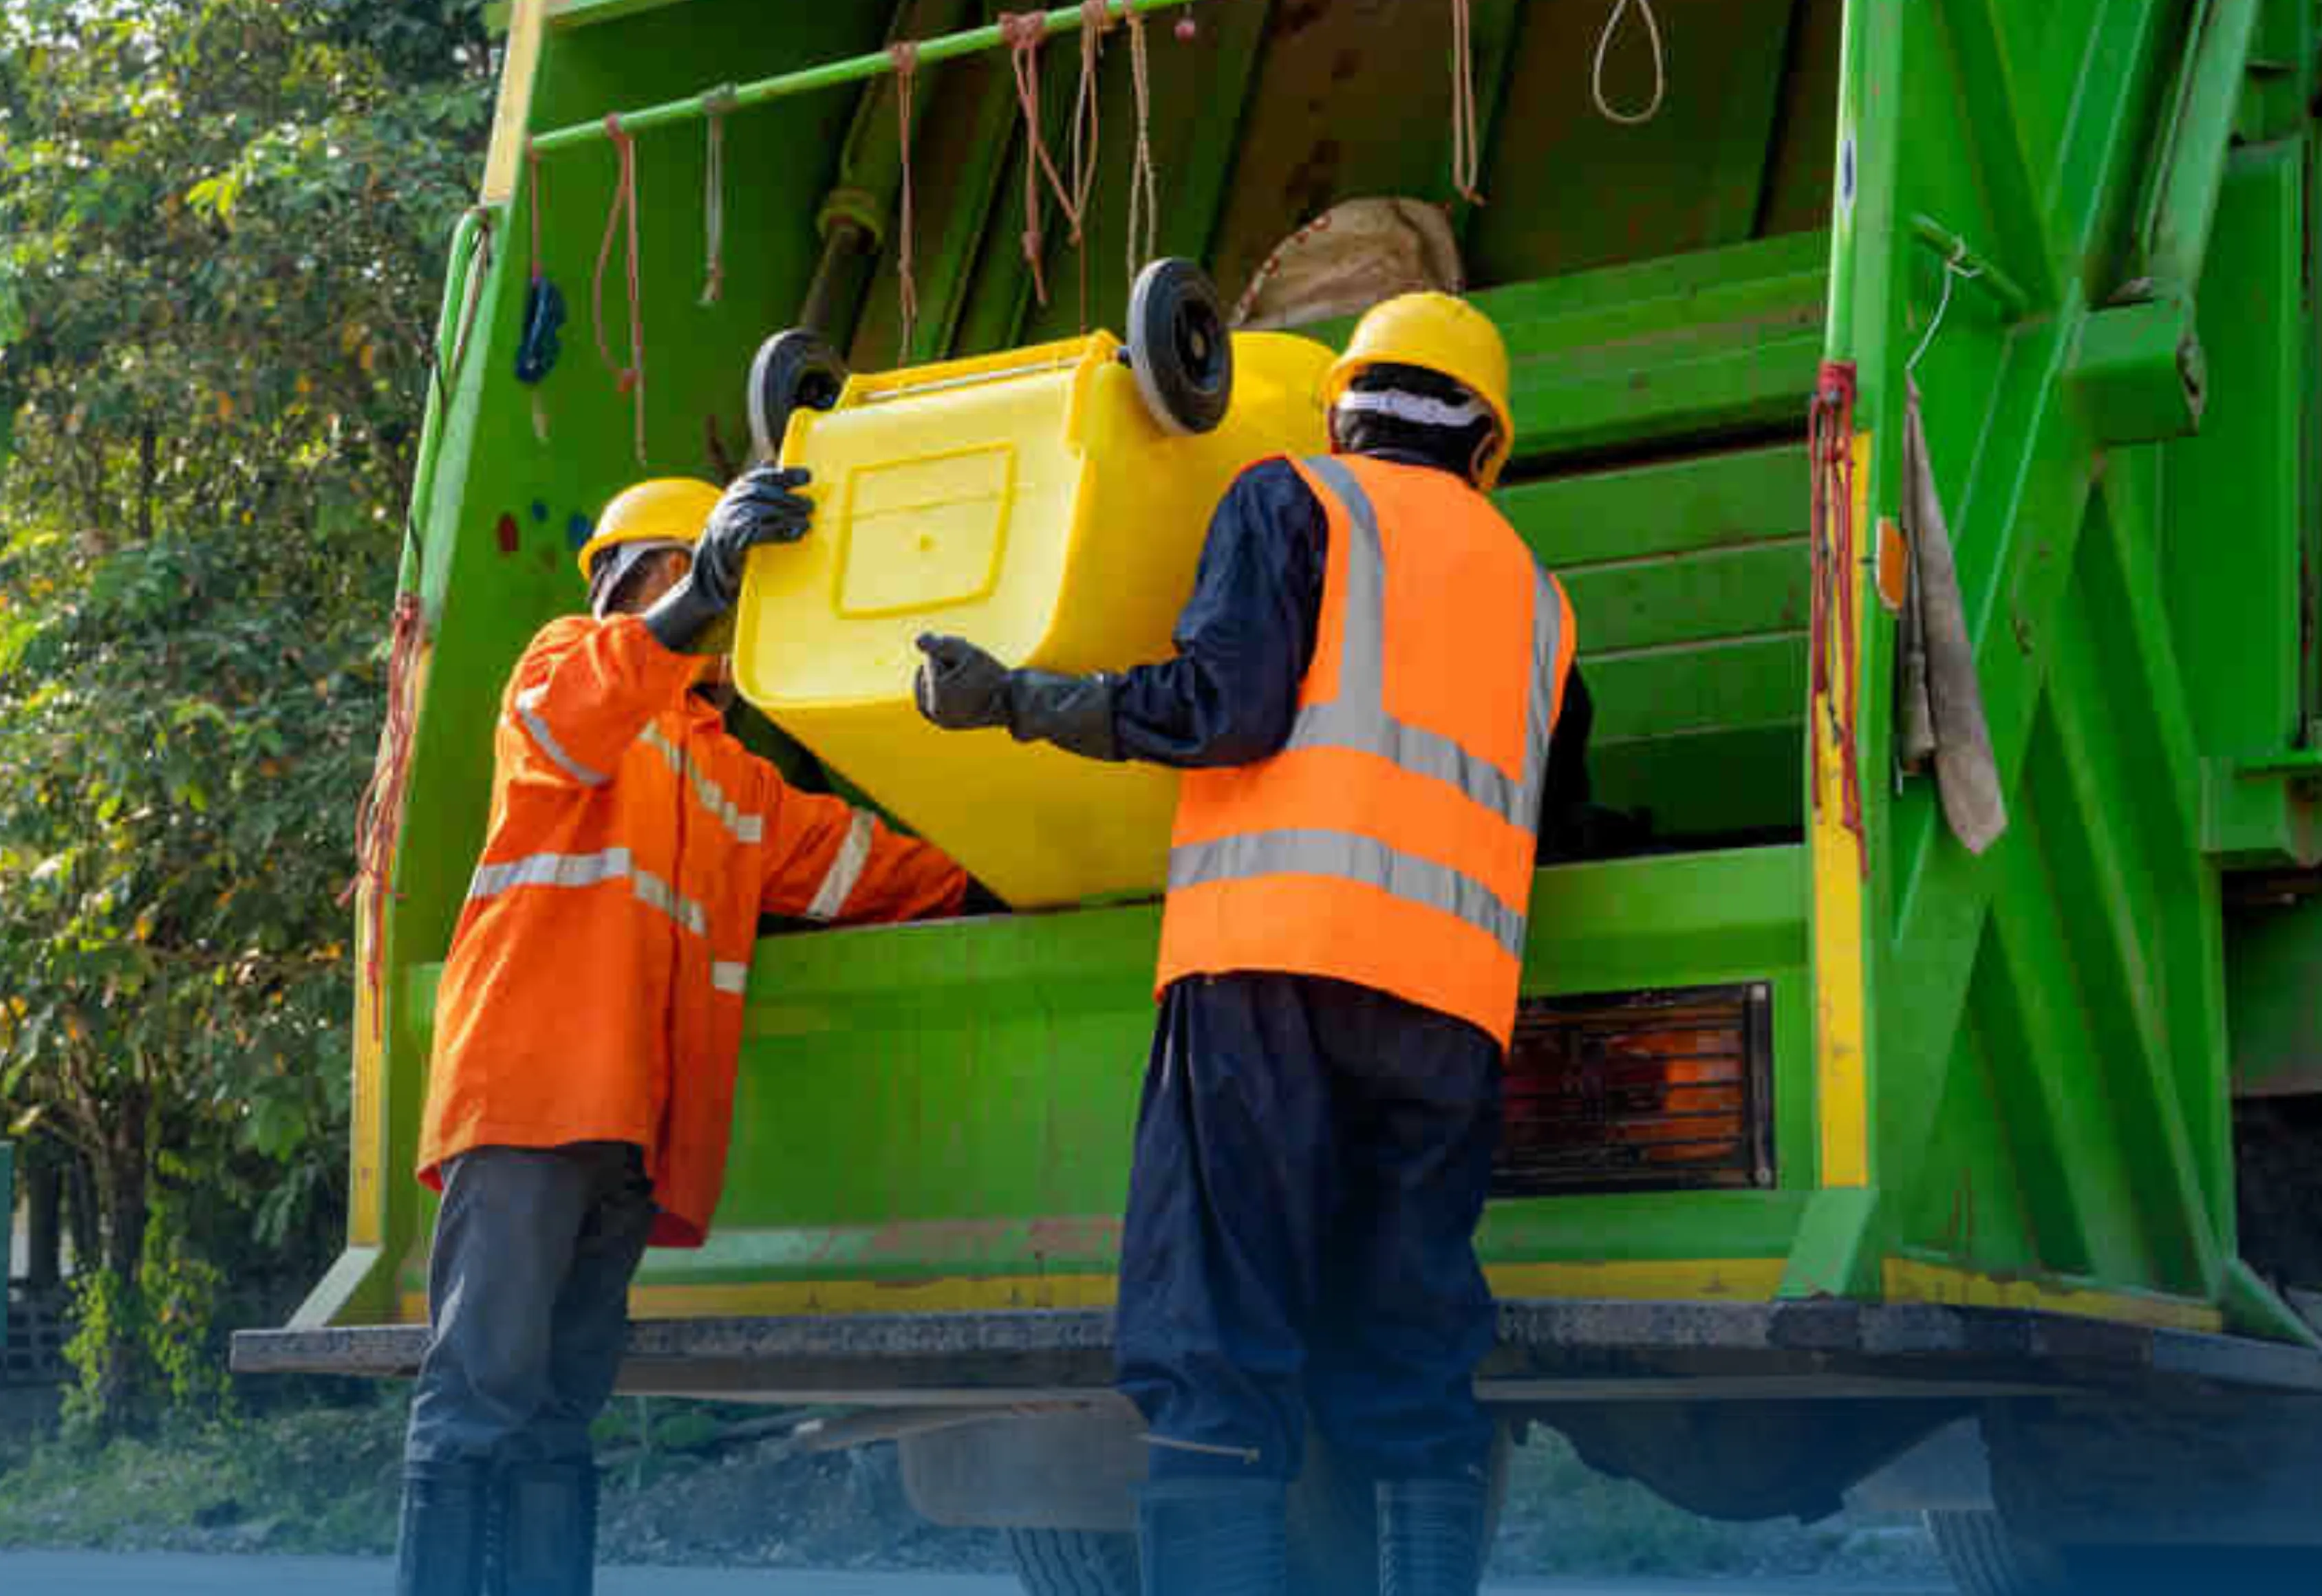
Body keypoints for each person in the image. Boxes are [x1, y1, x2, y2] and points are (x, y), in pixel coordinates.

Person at [914, 292, 1583, 1596]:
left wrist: (1017, 700)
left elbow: (1222, 707)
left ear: (1345, 407)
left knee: (1213, 1337)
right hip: (1449, 1008)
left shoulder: (1295, 500)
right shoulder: (1542, 602)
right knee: (1410, 1337)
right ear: (1485, 443)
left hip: (1269, 967)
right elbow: (1556, 816)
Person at [398, 468, 969, 1596]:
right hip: (529, 1101)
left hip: (626, 1127)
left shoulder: (726, 776)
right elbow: (581, 717)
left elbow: (862, 864)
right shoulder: (566, 662)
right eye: (701, 573)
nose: (724, 606)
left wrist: (1014, 875)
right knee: (479, 1398)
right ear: (639, 575)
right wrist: (698, 587)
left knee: (560, 1408)